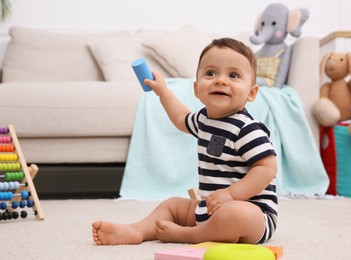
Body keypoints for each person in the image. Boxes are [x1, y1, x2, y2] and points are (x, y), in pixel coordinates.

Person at [92, 38, 278, 245]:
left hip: (252, 215)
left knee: (234, 213)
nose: (221, 80)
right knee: (172, 206)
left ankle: (189, 235)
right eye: (211, 73)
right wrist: (162, 92)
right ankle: (137, 230)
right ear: (197, 89)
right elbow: (181, 119)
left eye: (233, 75)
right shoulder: (204, 119)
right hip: (209, 207)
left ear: (251, 93)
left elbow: (267, 167)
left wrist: (231, 195)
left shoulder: (247, 128)